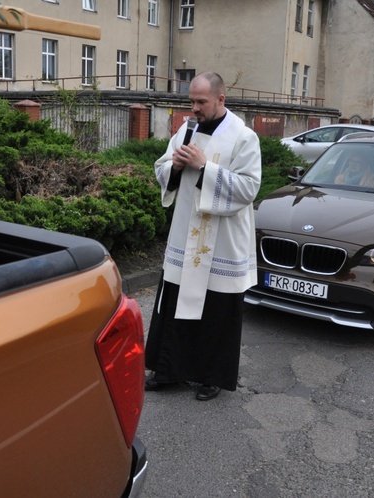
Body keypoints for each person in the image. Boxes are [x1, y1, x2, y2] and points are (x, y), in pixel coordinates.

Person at [144, 72, 262, 401]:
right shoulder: (187, 129)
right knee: (174, 305)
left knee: (217, 312)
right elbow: (162, 167)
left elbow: (249, 188)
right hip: (187, 236)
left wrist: (206, 168)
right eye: (191, 101)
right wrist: (177, 167)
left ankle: (211, 377)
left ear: (221, 99)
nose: (194, 108)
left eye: (201, 102)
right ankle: (168, 371)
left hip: (222, 242)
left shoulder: (243, 137)